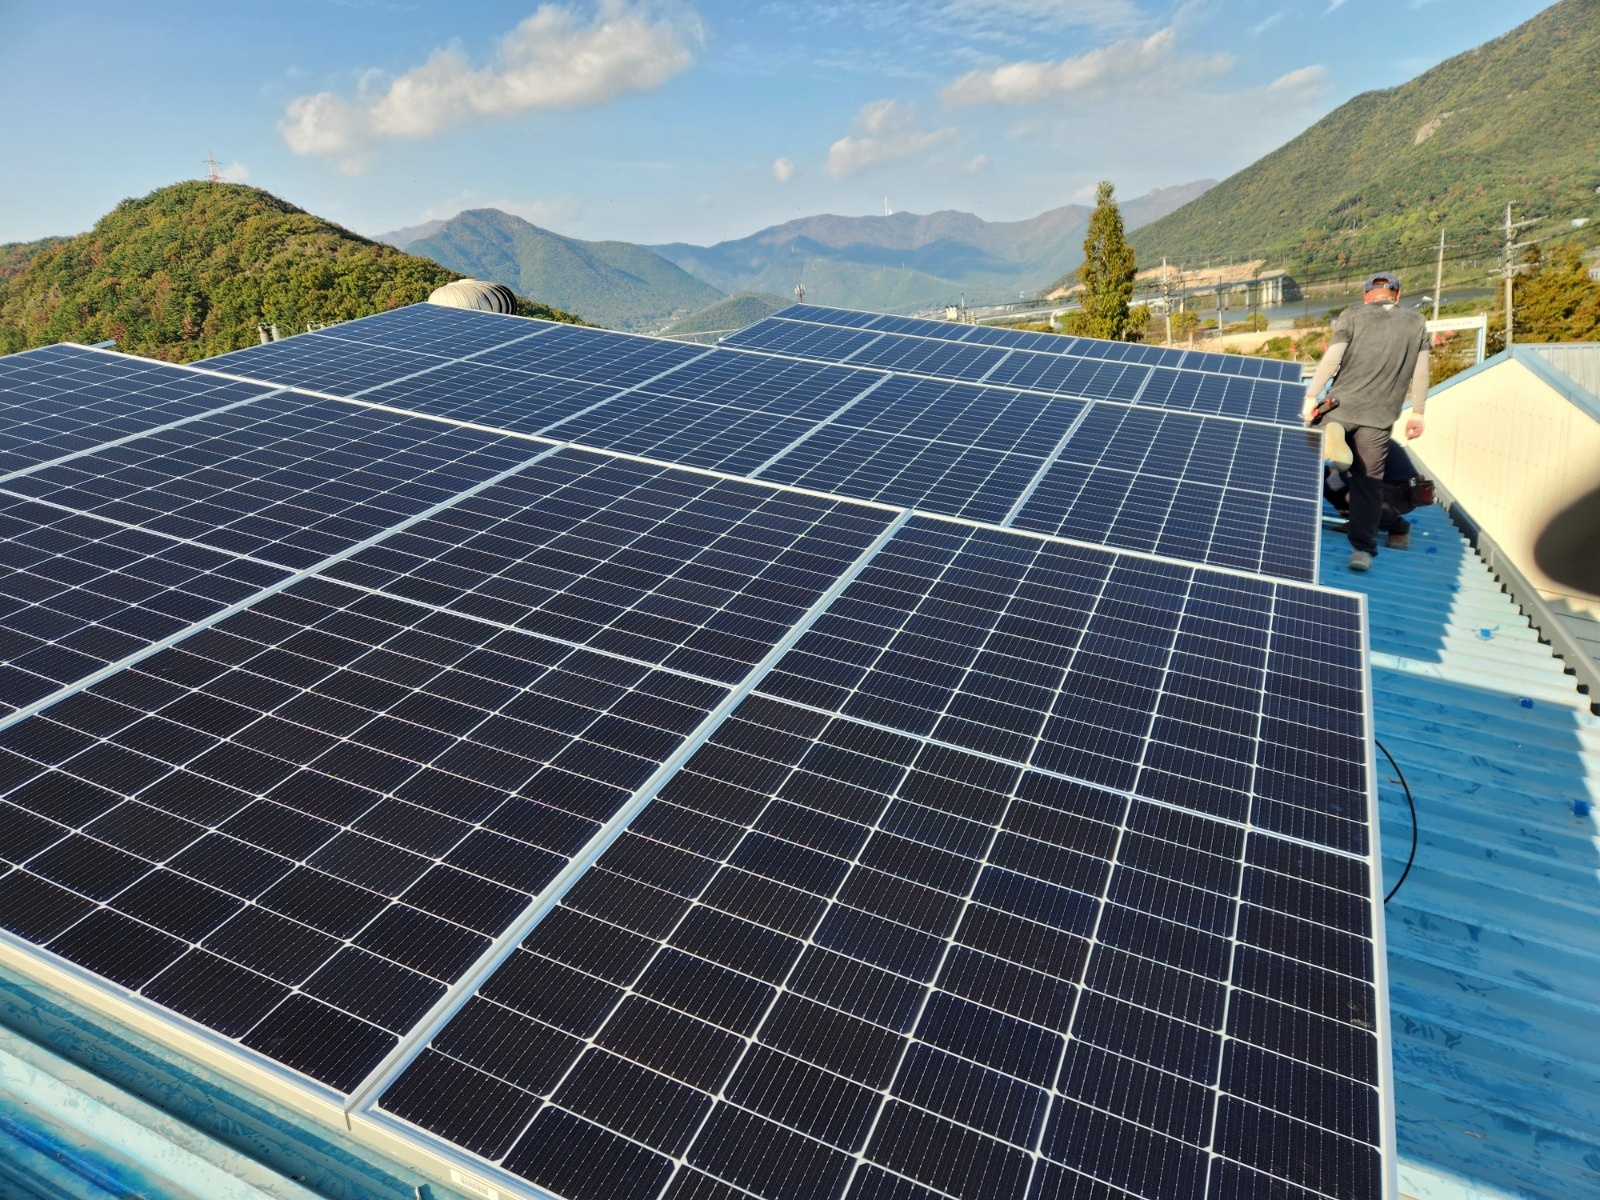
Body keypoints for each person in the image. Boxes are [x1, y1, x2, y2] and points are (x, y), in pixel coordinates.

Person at [1302, 271, 1429, 571]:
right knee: (1368, 485)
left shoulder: (1352, 316)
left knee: (1313, 428)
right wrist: (1419, 413)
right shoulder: (1416, 323)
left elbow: (1333, 358)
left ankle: (1335, 439)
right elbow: (1421, 372)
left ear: (1366, 296)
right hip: (1380, 417)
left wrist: (1311, 395)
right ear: (1397, 296)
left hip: (1343, 406)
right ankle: (1363, 551)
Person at [1323, 441, 1420, 549]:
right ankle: (1359, 522)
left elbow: (1342, 479)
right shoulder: (1363, 439)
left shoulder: (1369, 448)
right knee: (1324, 474)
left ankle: (1399, 528)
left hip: (1404, 495)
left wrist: (1328, 492)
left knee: (1357, 495)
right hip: (1385, 487)